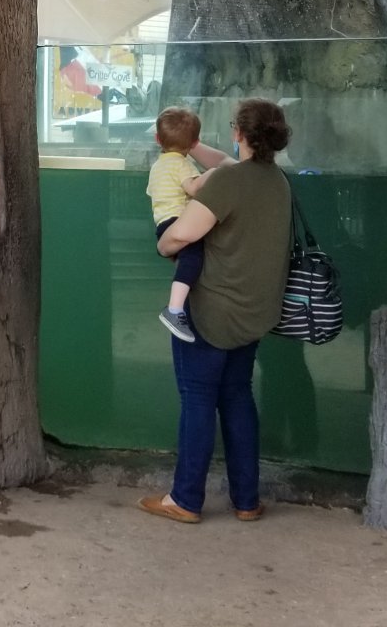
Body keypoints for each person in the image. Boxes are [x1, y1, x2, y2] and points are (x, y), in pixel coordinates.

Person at [138, 98, 293, 524]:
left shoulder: (226, 182)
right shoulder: (276, 180)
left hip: (210, 310)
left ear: (239, 132)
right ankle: (247, 500)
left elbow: (178, 237)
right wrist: (189, 144)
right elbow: (227, 162)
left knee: (199, 397)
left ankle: (185, 498)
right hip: (254, 310)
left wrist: (163, 244)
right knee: (238, 396)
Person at [146, 107, 233, 343]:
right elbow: (193, 189)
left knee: (187, 259)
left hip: (163, 221)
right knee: (193, 258)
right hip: (179, 221)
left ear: (157, 139)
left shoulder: (157, 166)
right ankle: (174, 309)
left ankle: (177, 307)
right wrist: (213, 173)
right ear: (194, 143)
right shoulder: (181, 164)